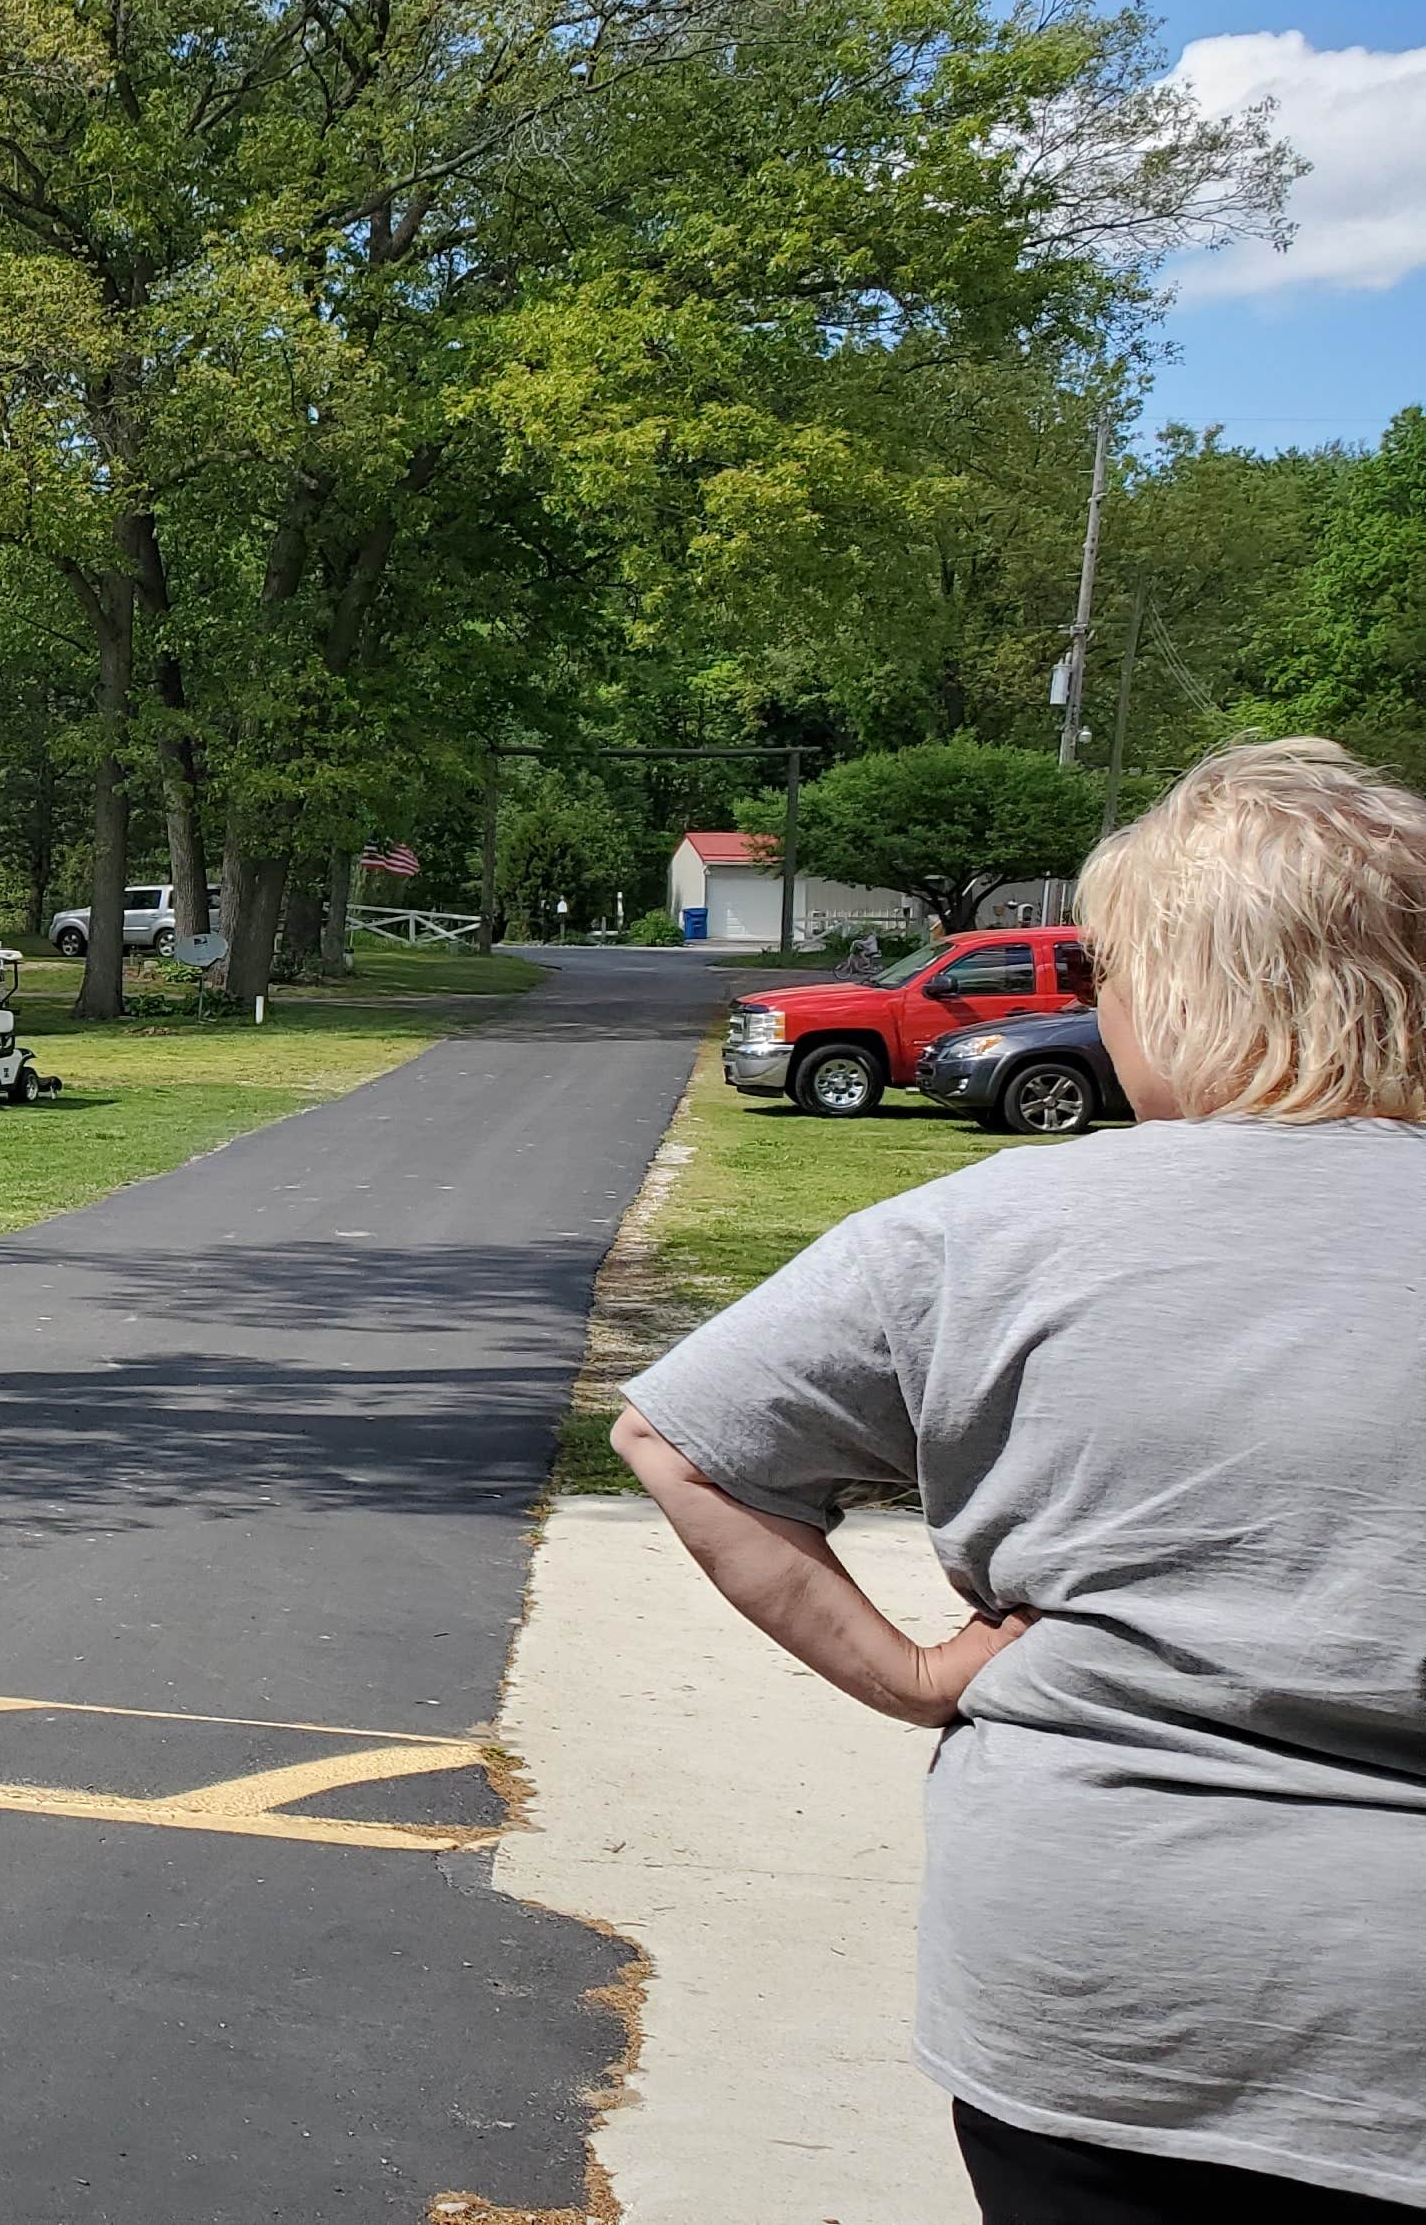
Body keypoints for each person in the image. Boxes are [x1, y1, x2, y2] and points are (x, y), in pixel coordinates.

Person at [609, 737, 1426, 2222]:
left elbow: (678, 1438)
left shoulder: (982, 1229)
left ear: (1172, 992)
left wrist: (915, 1678)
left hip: (1102, 2000)